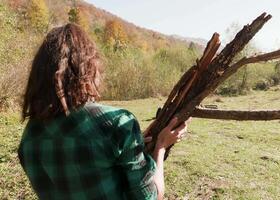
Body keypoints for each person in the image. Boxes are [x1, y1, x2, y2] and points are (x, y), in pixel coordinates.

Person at [18, 23, 190, 200]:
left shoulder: (28, 140)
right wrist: (161, 146)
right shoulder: (118, 123)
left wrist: (133, 146)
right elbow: (151, 196)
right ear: (89, 68)